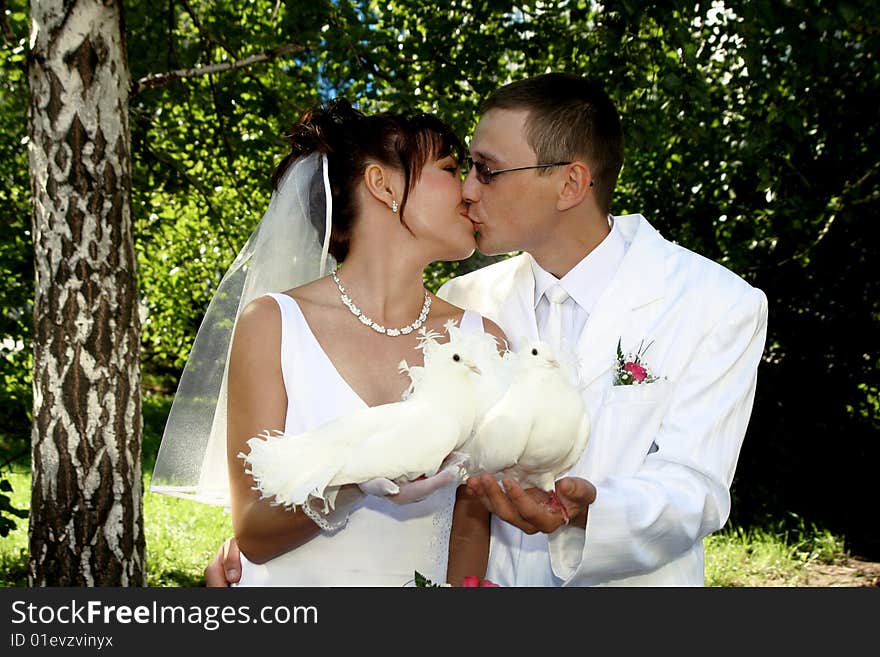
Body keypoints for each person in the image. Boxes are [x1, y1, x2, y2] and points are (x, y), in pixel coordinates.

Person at [206, 73, 768, 587]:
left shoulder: (716, 304)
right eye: (459, 169)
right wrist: (265, 540)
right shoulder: (466, 305)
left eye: (486, 169)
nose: (469, 189)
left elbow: (694, 488)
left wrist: (591, 509)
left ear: (571, 184)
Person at [158, 98, 502, 586]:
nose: (469, 191)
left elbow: (472, 520)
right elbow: (253, 529)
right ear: (382, 185)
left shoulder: (482, 341)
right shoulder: (274, 325)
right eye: (449, 169)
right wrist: (355, 484)